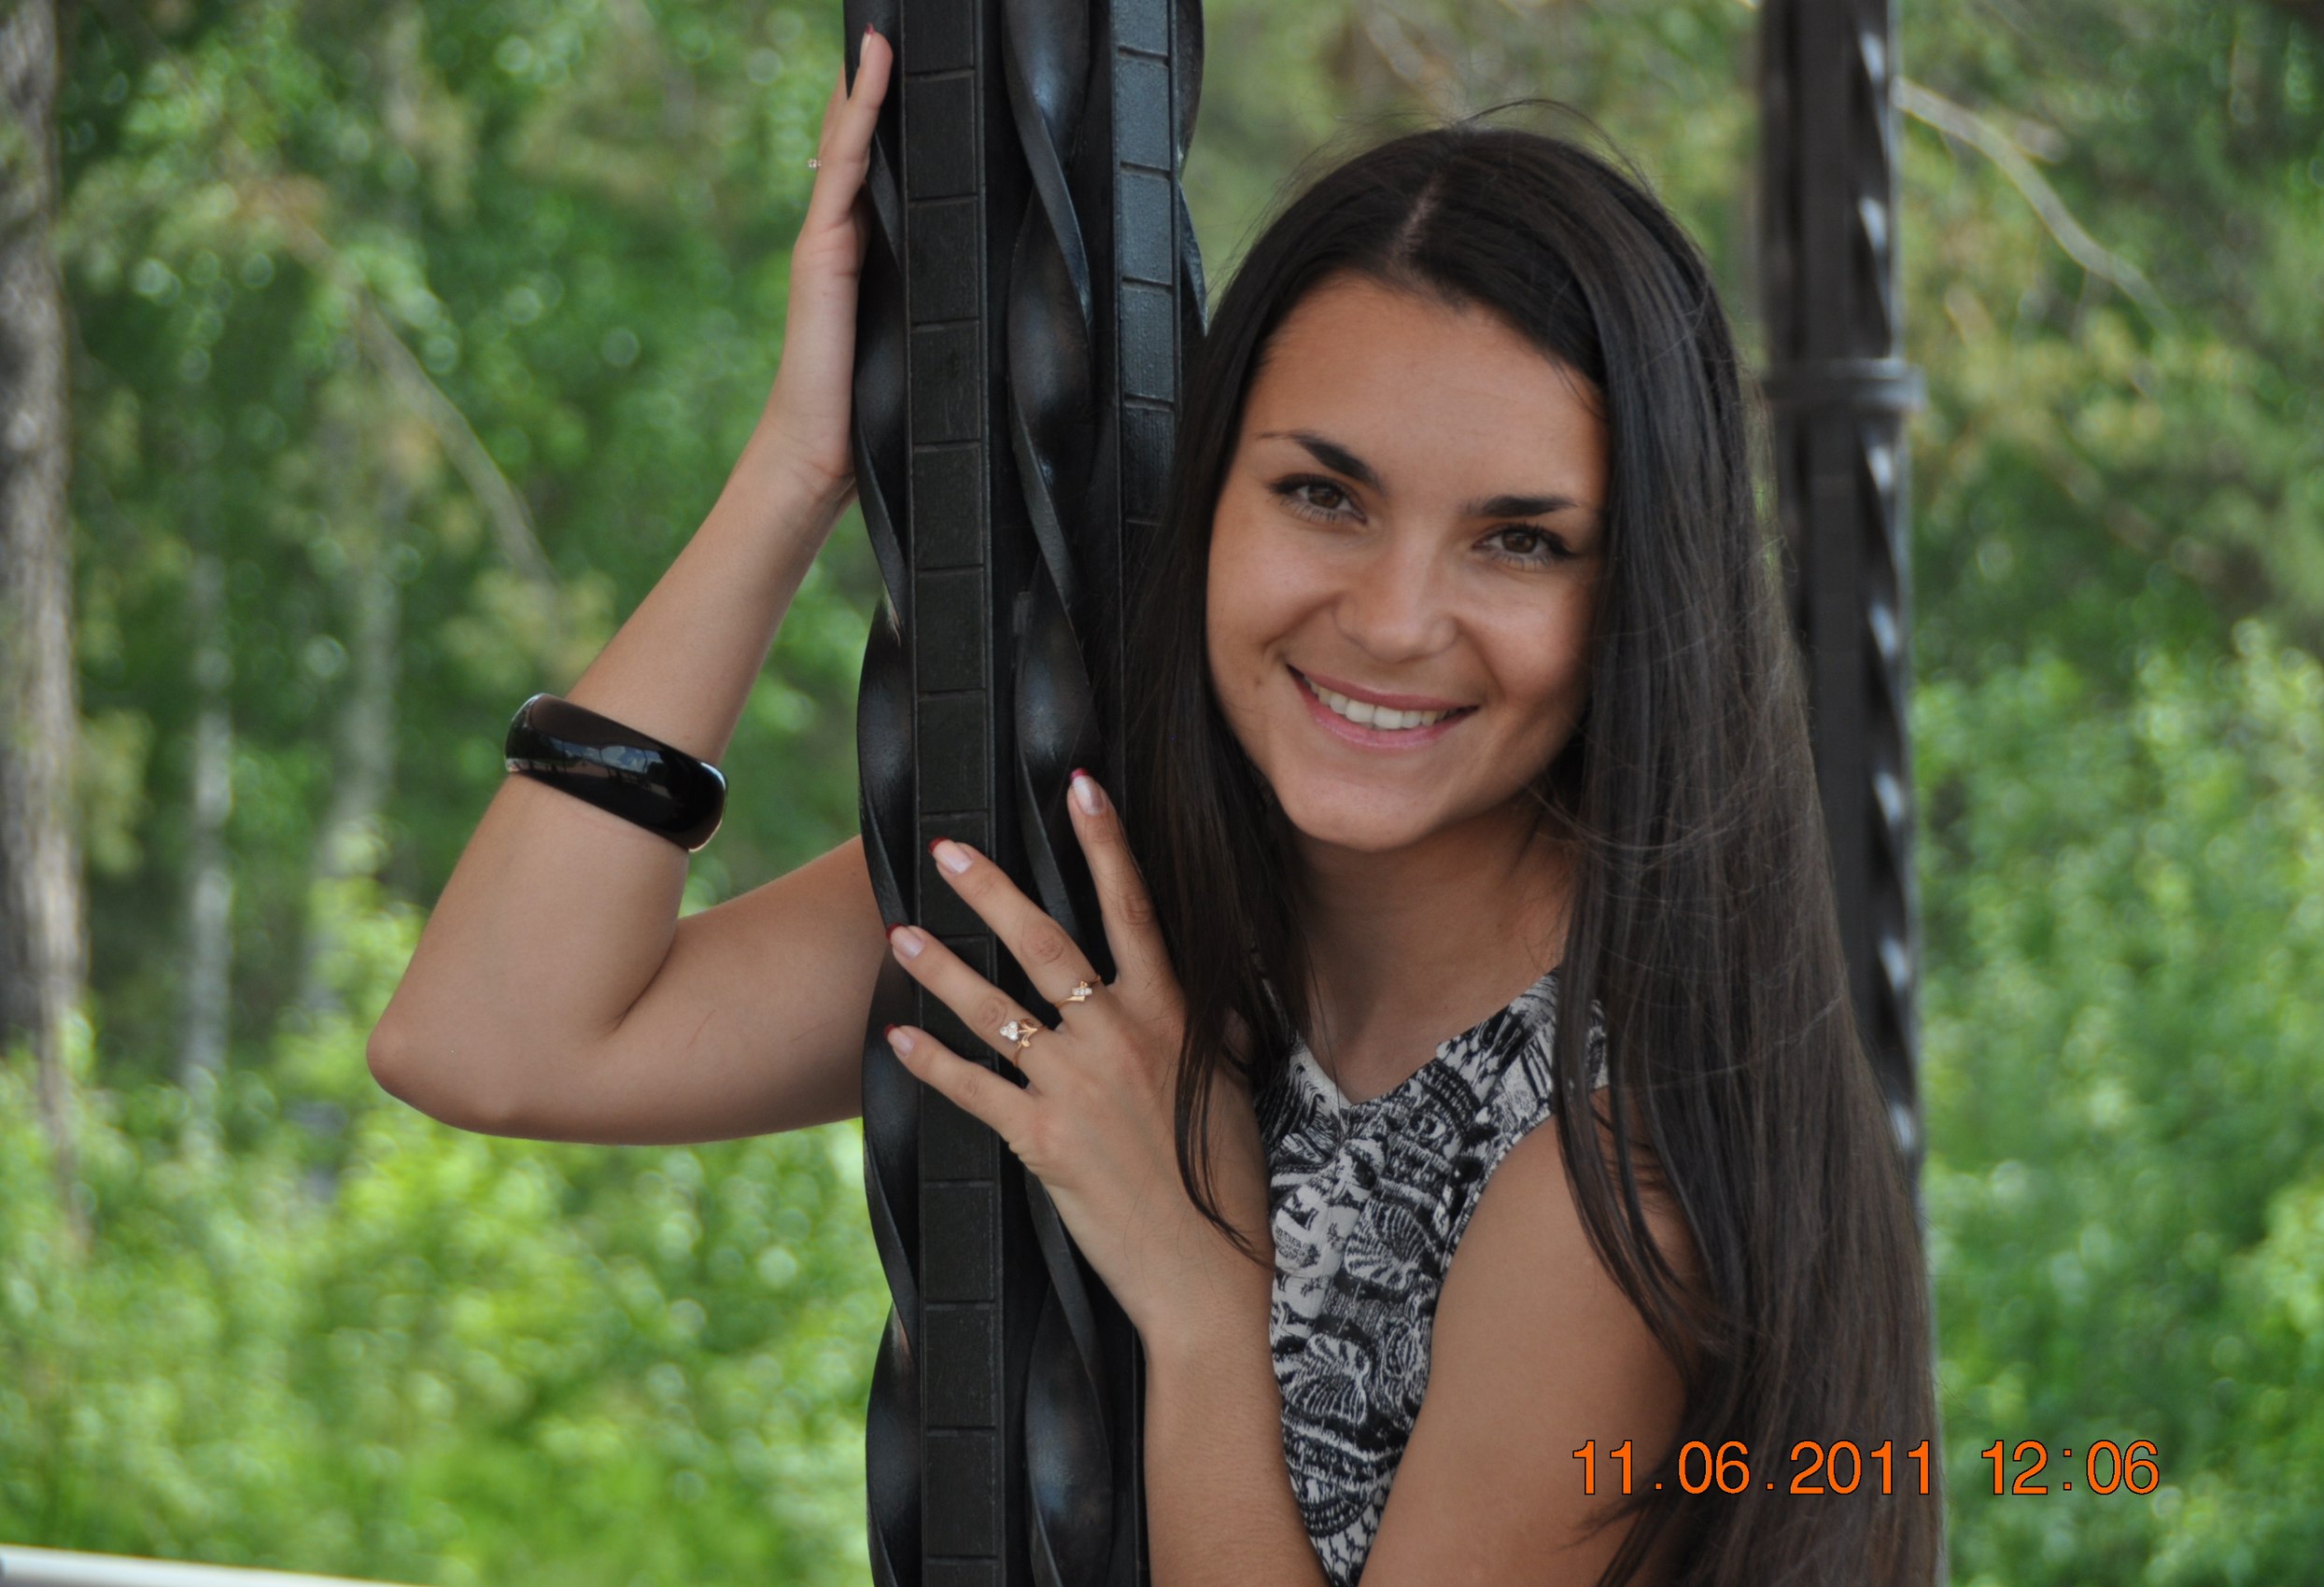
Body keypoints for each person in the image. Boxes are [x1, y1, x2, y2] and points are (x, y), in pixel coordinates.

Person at [368, 25, 1942, 1587]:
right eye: (1322, 495)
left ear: (1641, 594)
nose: (1394, 620)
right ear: (1213, 494)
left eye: (1519, 542)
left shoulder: (1610, 1169)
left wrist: (1198, 1298)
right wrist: (798, 466)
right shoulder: (1125, 872)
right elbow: (495, 1041)